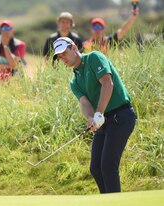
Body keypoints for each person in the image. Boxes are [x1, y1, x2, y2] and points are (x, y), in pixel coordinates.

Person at [52, 37, 136, 193]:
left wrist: (99, 114)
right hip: (103, 120)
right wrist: (91, 118)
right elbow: (84, 104)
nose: (62, 58)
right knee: (96, 168)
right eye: (59, 56)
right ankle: (107, 204)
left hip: (121, 115)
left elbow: (107, 83)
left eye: (64, 53)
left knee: (108, 166)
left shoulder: (94, 58)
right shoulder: (74, 81)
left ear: (74, 47)